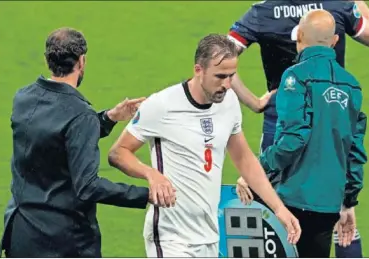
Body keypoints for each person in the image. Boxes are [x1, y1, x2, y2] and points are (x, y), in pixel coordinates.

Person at [107, 33, 301, 258]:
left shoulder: (228, 102)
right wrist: (151, 174)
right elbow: (118, 152)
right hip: (171, 236)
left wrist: (279, 209)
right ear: (198, 70)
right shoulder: (161, 105)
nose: (227, 85)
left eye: (232, 76)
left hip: (209, 235)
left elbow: (244, 158)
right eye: (220, 76)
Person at [0, 27, 164, 258]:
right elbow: (88, 187)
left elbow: (53, 138)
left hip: (21, 234)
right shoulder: (79, 114)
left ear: (48, 60)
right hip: (64, 242)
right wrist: (146, 195)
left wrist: (108, 118)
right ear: (82, 61)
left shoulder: (23, 97)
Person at [230, 1, 369, 256]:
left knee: (274, 237)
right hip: (329, 195)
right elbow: (355, 151)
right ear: (335, 40)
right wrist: (348, 201)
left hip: (292, 186)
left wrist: (256, 170)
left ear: (300, 38)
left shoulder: (294, 76)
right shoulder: (352, 86)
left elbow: (293, 139)